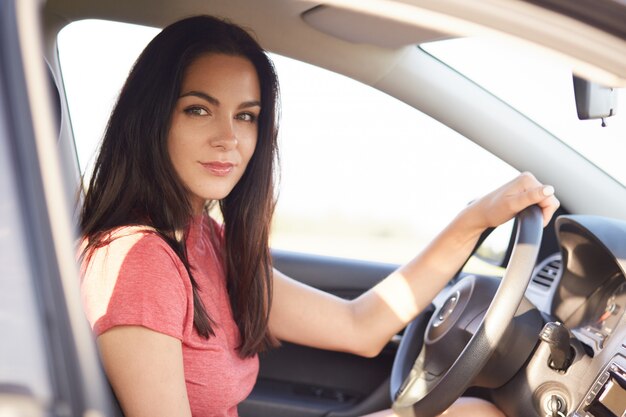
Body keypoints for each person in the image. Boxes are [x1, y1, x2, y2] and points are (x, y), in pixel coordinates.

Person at [79, 15, 560, 417]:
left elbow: (361, 325)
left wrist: (476, 219)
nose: (229, 137)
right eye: (199, 110)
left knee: (474, 413)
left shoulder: (207, 241)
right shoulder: (139, 259)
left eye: (246, 116)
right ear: (152, 119)